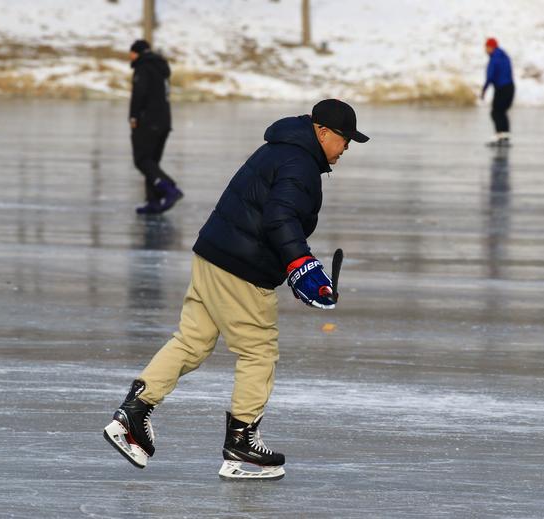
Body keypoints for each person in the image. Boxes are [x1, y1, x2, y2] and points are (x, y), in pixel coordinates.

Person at [103, 99, 369, 480]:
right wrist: (301, 264)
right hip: (243, 268)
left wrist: (299, 266)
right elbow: (281, 217)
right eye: (345, 139)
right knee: (259, 350)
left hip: (212, 254)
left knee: (192, 341)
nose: (346, 148)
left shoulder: (280, 148)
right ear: (323, 132)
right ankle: (241, 442)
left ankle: (133, 413)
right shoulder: (301, 164)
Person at [128, 39, 183, 214]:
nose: (130, 57)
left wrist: (133, 116)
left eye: (131, 53)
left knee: (142, 160)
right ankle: (154, 201)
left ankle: (169, 188)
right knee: (152, 162)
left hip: (149, 121)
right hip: (164, 121)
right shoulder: (160, 68)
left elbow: (139, 94)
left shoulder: (143, 67)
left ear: (137, 53)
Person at [481, 37, 515, 147]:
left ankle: (499, 136)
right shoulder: (505, 56)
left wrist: (484, 90)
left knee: (496, 112)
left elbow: (490, 76)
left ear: (491, 47)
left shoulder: (494, 59)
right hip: (510, 87)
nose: (485, 50)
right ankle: (505, 136)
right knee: (501, 112)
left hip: (501, 88)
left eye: (487, 47)